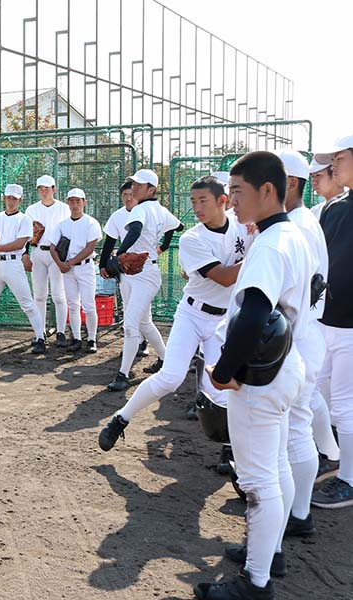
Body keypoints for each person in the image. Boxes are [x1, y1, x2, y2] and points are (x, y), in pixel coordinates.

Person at [194, 151, 312, 600]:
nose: (232, 200)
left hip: (262, 375)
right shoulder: (292, 235)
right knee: (276, 467)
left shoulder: (270, 242)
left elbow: (254, 316)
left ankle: (255, 584)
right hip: (286, 366)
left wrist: (223, 373)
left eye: (238, 192)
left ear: (267, 190)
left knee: (258, 481)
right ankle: (271, 554)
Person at [99, 176, 249, 452]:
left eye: (203, 201)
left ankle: (232, 449)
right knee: (170, 378)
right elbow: (226, 278)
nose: (197, 208)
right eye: (193, 202)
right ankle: (121, 419)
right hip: (192, 314)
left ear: (222, 201)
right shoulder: (193, 238)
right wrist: (256, 254)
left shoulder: (242, 226)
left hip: (224, 319)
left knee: (220, 387)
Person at [274, 150, 329, 532]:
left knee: (291, 434)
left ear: (289, 183)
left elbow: (300, 290)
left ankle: (294, 516)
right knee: (298, 428)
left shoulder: (297, 224)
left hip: (298, 335)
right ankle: (300, 514)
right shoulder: (302, 219)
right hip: (306, 334)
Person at [100, 169, 182, 392]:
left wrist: (120, 254)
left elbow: (135, 229)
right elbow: (178, 225)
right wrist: (162, 245)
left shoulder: (142, 209)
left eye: (139, 185)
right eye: (133, 184)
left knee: (130, 324)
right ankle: (166, 360)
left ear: (151, 189)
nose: (134, 188)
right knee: (144, 323)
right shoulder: (160, 210)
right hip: (133, 274)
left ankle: (123, 375)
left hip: (144, 275)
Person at [310, 135, 353, 509]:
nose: (333, 165)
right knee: (320, 391)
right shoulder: (338, 207)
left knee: (344, 405)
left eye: (339, 158)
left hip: (350, 326)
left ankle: (349, 481)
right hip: (330, 320)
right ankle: (328, 455)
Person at [0, 183, 47, 354]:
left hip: (13, 263)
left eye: (14, 198)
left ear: (20, 200)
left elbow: (21, 243)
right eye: (8, 198)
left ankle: (40, 337)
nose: (11, 201)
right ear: (3, 198)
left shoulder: (24, 219)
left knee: (27, 303)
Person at [101, 180, 150, 358]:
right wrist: (103, 264)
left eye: (131, 194)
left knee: (143, 308)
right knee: (128, 305)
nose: (128, 198)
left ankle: (143, 341)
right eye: (125, 195)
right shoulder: (118, 215)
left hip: (144, 268)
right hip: (125, 267)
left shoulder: (145, 212)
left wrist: (161, 249)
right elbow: (109, 241)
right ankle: (133, 342)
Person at [48, 188, 102, 352]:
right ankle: (77, 337)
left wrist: (69, 263)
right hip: (67, 269)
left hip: (85, 267)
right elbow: (52, 247)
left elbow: (90, 247)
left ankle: (92, 339)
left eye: (78, 201)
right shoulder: (62, 224)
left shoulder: (91, 222)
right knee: (73, 304)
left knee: (89, 305)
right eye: (71, 200)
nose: (74, 204)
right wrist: (60, 264)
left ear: (84, 202)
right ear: (67, 203)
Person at [24, 175, 70, 345]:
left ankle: (60, 332)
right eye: (40, 189)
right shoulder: (31, 210)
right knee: (39, 295)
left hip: (56, 253)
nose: (44, 191)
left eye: (47, 188)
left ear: (54, 189)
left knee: (58, 295)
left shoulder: (64, 208)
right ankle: (40, 332)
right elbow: (27, 234)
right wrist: (26, 254)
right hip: (38, 252)